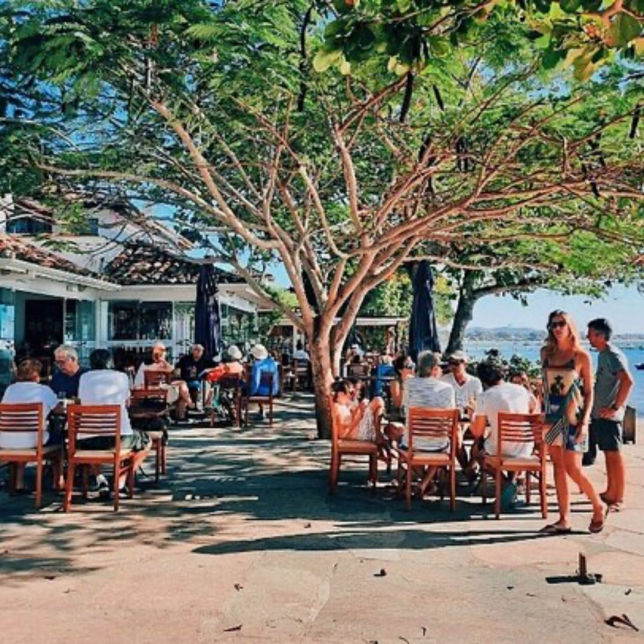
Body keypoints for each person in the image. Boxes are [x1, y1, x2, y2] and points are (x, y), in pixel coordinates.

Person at [540, 310, 605, 533]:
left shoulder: (581, 356)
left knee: (574, 469)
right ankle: (564, 519)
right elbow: (546, 388)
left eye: (561, 324)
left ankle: (598, 506)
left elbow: (589, 392)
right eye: (553, 324)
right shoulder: (546, 354)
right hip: (551, 418)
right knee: (558, 467)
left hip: (573, 418)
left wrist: (585, 421)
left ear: (569, 326)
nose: (556, 328)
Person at [78, 349, 150, 497]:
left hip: (87, 440)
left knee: (92, 440)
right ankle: (120, 479)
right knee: (145, 440)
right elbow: (127, 401)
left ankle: (100, 479)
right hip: (117, 439)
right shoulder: (121, 377)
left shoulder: (84, 377)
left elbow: (81, 399)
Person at [469, 357, 538, 504]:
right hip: (525, 447)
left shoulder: (485, 396)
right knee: (508, 443)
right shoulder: (521, 391)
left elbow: (477, 431)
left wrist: (471, 415)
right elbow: (535, 409)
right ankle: (510, 486)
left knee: (477, 452)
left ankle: (507, 483)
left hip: (501, 449)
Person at [587, 318, 634, 512]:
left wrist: (616, 407)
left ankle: (619, 498)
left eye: (590, 334)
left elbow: (628, 381)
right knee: (608, 454)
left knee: (614, 455)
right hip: (601, 414)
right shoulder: (603, 355)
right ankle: (610, 492)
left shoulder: (612, 355)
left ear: (600, 335)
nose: (588, 337)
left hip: (610, 416)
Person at [396, 351, 456, 497]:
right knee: (444, 447)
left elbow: (404, 407)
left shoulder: (409, 383)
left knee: (398, 442)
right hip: (438, 444)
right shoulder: (447, 389)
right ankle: (425, 484)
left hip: (413, 444)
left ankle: (425, 483)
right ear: (435, 368)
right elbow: (451, 415)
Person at [1, 359, 62, 492]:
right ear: (35, 376)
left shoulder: (10, 389)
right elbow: (59, 410)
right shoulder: (44, 389)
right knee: (60, 441)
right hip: (33, 440)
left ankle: (19, 482)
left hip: (6, 440)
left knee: (24, 436)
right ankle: (58, 481)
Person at [134, 342, 193, 418]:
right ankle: (188, 406)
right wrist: (163, 360)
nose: (164, 352)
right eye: (163, 350)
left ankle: (184, 409)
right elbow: (172, 370)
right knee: (181, 388)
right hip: (149, 388)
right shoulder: (152, 363)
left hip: (147, 387)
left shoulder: (146, 361)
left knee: (182, 386)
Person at [331, 379, 385, 444]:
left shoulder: (342, 406)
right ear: (341, 394)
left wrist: (358, 409)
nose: (352, 395)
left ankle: (378, 434)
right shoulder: (338, 408)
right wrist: (360, 416)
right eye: (351, 393)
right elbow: (345, 433)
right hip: (354, 435)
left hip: (356, 432)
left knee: (378, 402)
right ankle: (378, 434)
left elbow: (350, 420)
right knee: (378, 401)